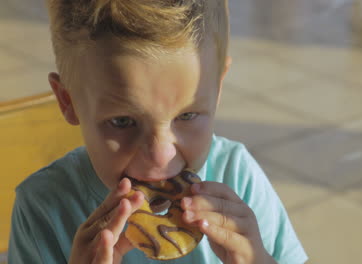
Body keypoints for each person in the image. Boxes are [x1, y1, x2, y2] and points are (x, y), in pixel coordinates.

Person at [8, 0, 308, 263]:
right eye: (123, 122)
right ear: (68, 101)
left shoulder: (237, 176)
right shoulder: (43, 208)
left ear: (216, 89)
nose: (160, 156)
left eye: (187, 115)